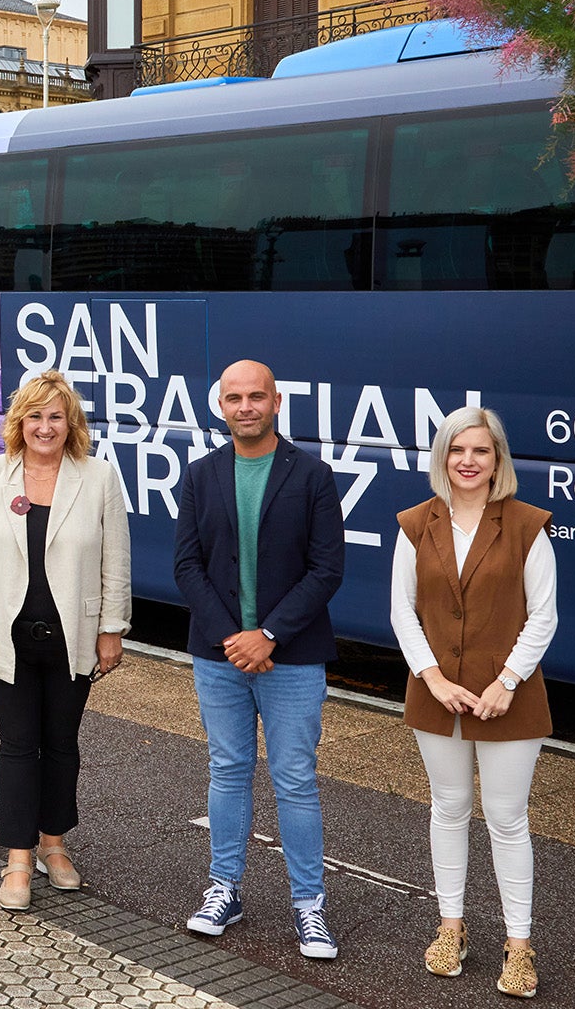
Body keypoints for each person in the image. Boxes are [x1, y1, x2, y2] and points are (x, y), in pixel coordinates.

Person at [174, 359, 344, 959]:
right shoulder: (200, 476)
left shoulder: (313, 475)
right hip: (220, 656)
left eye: (256, 397)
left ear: (276, 402)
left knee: (295, 780)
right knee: (227, 770)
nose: (245, 407)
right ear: (220, 405)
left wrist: (267, 635)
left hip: (292, 658)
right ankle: (225, 889)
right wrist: (232, 638)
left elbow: (327, 570)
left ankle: (309, 905)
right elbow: (187, 566)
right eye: (234, 398)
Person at [392, 406, 555, 998]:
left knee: (508, 820)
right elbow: (402, 613)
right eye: (458, 450)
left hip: (508, 697)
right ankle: (452, 927)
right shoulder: (415, 524)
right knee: (448, 807)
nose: (468, 461)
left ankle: (519, 944)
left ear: (498, 460)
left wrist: (506, 681)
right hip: (438, 694)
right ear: (442, 457)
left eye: (481, 451)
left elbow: (544, 617)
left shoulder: (527, 525)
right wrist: (432, 679)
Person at [0, 370, 131, 911]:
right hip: (6, 637)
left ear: (71, 422)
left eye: (56, 416)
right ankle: (17, 858)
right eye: (35, 415)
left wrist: (111, 629)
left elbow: (115, 562)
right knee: (16, 746)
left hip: (73, 637)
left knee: (61, 745)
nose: (45, 426)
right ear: (19, 421)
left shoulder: (98, 477)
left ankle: (55, 846)